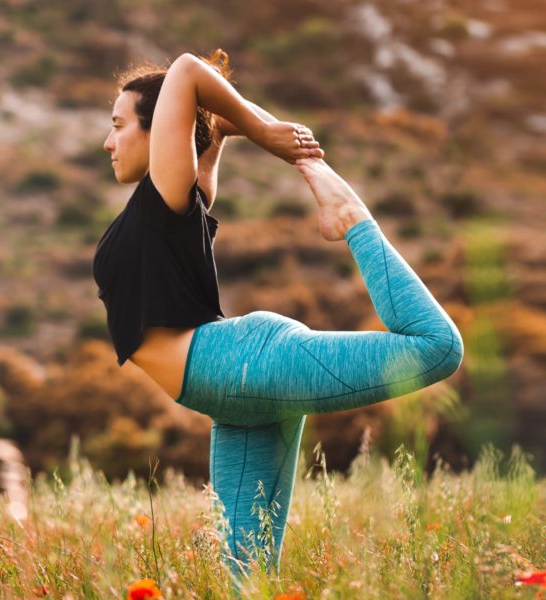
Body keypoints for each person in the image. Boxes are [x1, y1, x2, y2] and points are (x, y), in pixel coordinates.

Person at [93, 49, 464, 589]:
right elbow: (211, 120)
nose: (108, 142)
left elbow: (189, 70)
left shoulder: (163, 196)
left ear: (160, 136)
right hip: (233, 398)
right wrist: (224, 127)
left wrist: (264, 131)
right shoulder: (179, 197)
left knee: (437, 347)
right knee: (248, 579)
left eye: (119, 125)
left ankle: (350, 216)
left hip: (244, 366)